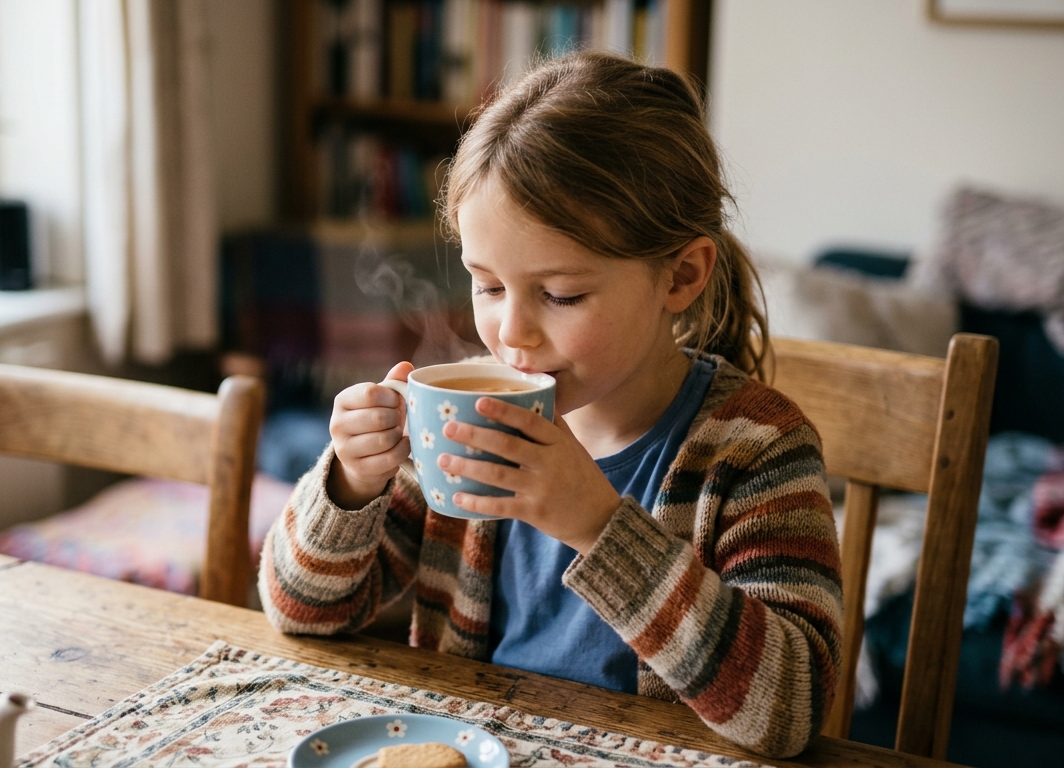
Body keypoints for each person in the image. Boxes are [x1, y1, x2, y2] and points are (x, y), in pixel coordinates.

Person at [259, 51, 840, 759]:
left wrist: (598, 526)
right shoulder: (467, 421)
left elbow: (786, 710)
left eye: (561, 294)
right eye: (487, 286)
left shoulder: (755, 448)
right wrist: (352, 485)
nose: (512, 332)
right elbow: (301, 613)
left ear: (681, 276)